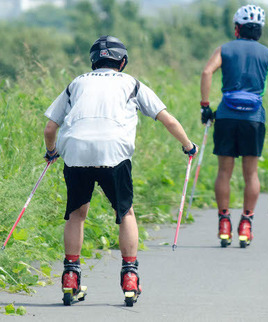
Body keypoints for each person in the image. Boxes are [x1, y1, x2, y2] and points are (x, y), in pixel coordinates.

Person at [43, 35, 197, 306]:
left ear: (93, 62)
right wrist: (188, 146)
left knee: (77, 214)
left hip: (76, 152)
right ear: (122, 62)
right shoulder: (131, 83)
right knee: (125, 212)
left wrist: (52, 151)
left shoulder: (76, 83)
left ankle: (70, 278)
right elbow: (167, 119)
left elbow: (50, 128)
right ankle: (130, 277)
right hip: (114, 153)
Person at [200, 4, 268, 248]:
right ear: (259, 30)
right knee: (250, 174)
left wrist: (205, 106)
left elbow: (207, 72)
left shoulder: (224, 49)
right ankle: (246, 223)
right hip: (254, 118)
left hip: (227, 116)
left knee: (224, 172)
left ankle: (224, 222)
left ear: (237, 28)